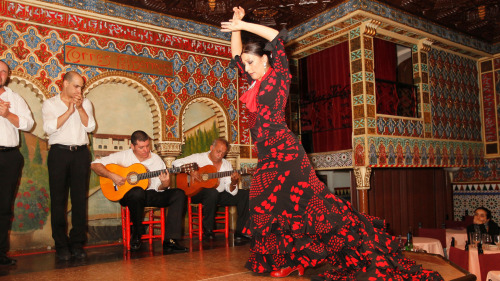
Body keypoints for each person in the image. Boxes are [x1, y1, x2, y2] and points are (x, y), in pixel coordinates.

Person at [221, 7, 442, 280]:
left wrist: (246, 23)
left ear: (266, 60)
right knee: (265, 209)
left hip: (287, 154)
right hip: (267, 157)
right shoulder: (253, 83)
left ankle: (360, 247)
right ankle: (290, 260)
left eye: (251, 62)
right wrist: (236, 29)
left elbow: (277, 37)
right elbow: (234, 56)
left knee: (316, 209)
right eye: (245, 64)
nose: (247, 68)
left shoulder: (278, 77)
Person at [91, 130, 188, 253]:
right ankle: (136, 233)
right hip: (128, 196)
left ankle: (170, 240)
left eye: (148, 146)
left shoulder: (156, 159)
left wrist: (165, 183)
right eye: (141, 147)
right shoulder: (123, 156)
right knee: (137, 191)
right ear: (132, 146)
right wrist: (112, 176)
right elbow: (95, 164)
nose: (146, 150)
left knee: (178, 194)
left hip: (150, 194)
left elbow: (160, 189)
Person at [42, 71, 96, 261]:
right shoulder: (50, 104)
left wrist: (80, 108)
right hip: (59, 153)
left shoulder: (86, 103)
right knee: (59, 200)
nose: (79, 90)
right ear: (64, 84)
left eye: (81, 87)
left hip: (81, 153)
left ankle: (77, 243)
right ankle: (61, 245)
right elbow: (48, 128)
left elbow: (90, 127)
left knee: (80, 200)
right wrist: (69, 110)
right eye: (76, 86)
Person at [172, 138, 250, 241]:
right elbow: (175, 163)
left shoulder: (226, 165)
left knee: (245, 194)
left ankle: (240, 232)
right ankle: (208, 231)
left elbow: (231, 191)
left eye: (223, 153)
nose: (220, 155)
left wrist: (233, 182)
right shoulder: (198, 158)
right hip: (196, 192)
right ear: (211, 148)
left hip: (217, 194)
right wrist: (190, 170)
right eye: (218, 151)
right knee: (212, 192)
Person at [0, 60, 34, 266]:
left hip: (10, 156)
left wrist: (7, 114)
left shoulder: (15, 98)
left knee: (4, 206)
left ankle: (0, 253)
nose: (0, 74)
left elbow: (29, 123)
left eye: (4, 71)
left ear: (8, 76)